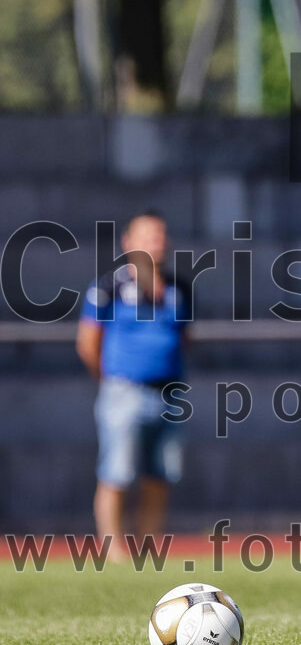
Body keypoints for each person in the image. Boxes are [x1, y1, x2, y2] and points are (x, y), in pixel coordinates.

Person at [76, 211, 190, 561]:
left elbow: (184, 336)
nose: (154, 244)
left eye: (159, 236)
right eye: (146, 237)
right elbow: (87, 341)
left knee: (161, 474)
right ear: (128, 243)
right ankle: (113, 550)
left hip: (169, 391)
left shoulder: (179, 288)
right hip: (123, 390)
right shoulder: (109, 286)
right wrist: (110, 378)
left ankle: (148, 546)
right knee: (117, 471)